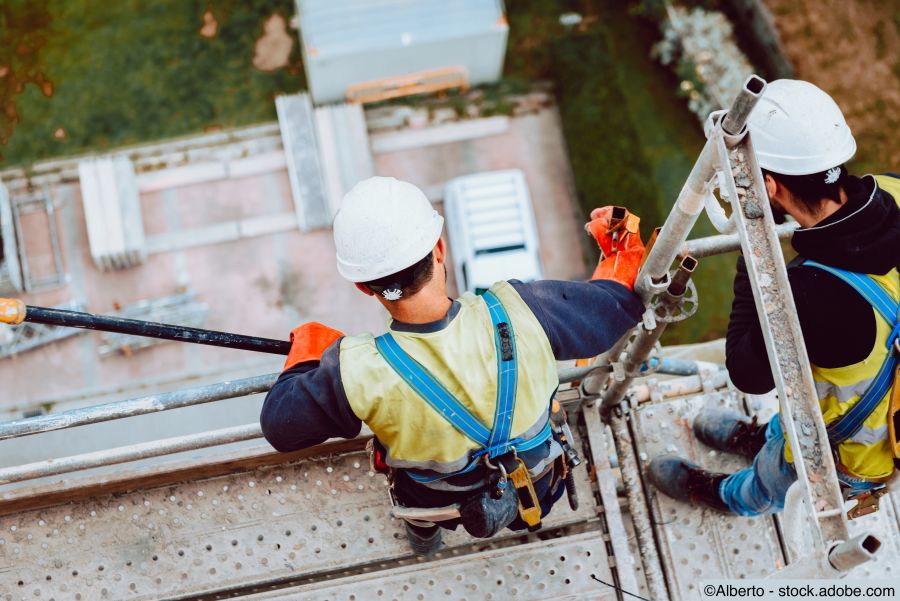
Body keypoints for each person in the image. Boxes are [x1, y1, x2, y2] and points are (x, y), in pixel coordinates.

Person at [260, 176, 645, 553]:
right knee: (528, 494)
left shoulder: (358, 370)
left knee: (420, 512)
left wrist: (313, 351)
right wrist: (620, 254)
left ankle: (425, 538)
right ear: (439, 249)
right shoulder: (525, 310)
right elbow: (615, 309)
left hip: (435, 500)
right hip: (537, 481)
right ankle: (528, 523)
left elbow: (280, 425)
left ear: (363, 286)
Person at [649, 79, 900, 516]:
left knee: (772, 476)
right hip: (872, 405)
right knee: (788, 427)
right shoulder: (893, 187)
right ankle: (760, 436)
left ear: (768, 186)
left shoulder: (813, 294)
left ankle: (729, 497)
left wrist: (756, 251)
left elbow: (748, 373)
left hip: (849, 452)